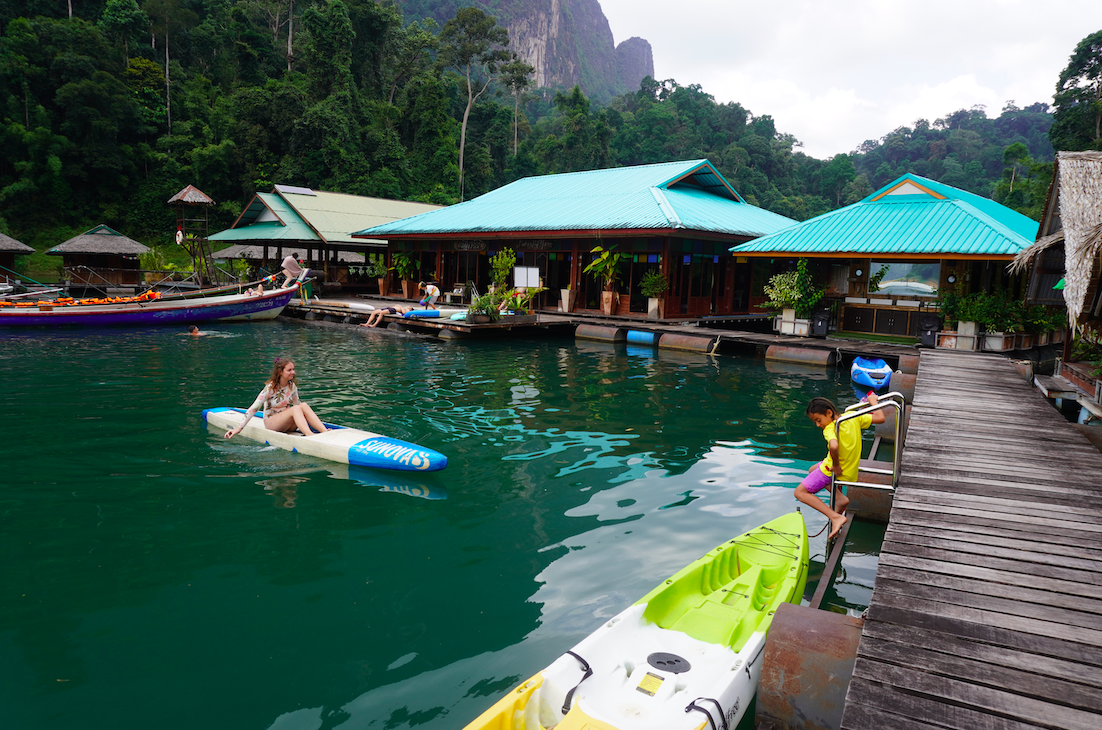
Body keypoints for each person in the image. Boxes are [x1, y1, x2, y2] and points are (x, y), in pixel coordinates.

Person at [798, 393, 885, 538]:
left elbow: (833, 446)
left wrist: (836, 465)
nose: (818, 425)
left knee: (800, 493)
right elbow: (880, 418)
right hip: (849, 469)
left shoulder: (830, 428)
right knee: (812, 470)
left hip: (832, 468)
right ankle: (840, 498)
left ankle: (835, 517)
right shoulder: (852, 416)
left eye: (818, 420)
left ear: (829, 413)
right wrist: (873, 401)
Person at [224, 358, 329, 439]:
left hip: (288, 424)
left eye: (293, 369)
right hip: (272, 424)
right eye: (289, 370)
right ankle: (309, 435)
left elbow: (298, 405)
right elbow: (254, 408)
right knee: (296, 408)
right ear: (280, 372)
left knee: (303, 405)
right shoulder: (270, 388)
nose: (293, 372)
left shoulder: (292, 386)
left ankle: (324, 431)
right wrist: (239, 428)